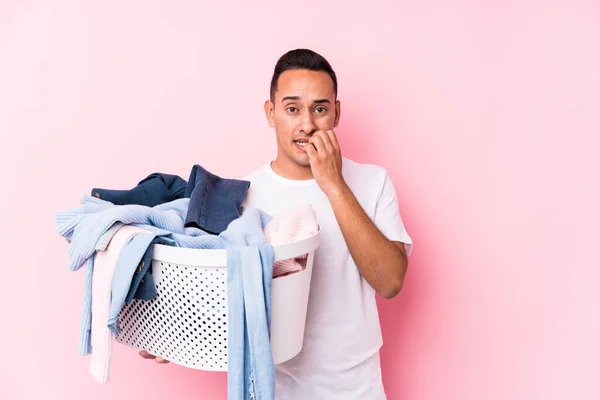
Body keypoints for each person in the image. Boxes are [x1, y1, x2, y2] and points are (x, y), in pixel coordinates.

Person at [141, 48, 413, 399]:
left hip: (356, 390)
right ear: (271, 113)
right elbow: (223, 293)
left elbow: (390, 281)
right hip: (271, 388)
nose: (307, 124)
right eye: (292, 108)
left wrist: (332, 183)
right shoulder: (241, 197)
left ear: (336, 112)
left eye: (320, 108)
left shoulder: (373, 182)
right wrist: (173, 335)